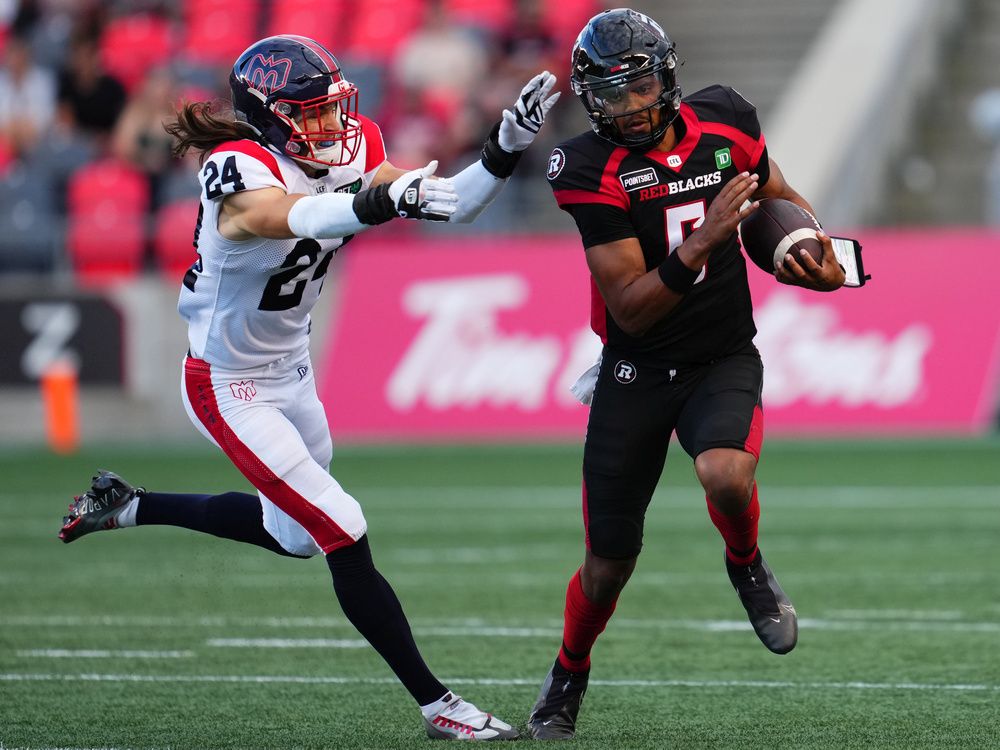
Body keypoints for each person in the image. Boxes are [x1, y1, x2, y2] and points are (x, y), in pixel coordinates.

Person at [58, 34, 558, 742]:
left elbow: (453, 204)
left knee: (293, 536)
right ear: (269, 117)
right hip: (226, 384)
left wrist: (504, 147)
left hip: (291, 371)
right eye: (312, 113)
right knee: (343, 527)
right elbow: (289, 217)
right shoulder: (236, 167)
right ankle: (440, 706)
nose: (332, 126)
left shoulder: (349, 147)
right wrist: (384, 201)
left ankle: (129, 504)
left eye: (334, 109)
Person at [527, 9, 845, 740]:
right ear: (589, 100)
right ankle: (569, 670)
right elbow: (633, 310)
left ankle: (748, 565)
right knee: (607, 565)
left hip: (721, 352)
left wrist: (812, 251)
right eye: (611, 94)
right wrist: (701, 242)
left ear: (666, 76)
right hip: (636, 368)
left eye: (639, 85)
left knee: (727, 475)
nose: (630, 107)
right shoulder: (586, 168)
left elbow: (779, 196)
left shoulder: (727, 119)